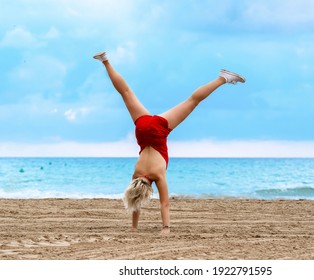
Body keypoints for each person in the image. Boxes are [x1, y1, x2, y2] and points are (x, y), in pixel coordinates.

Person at [93, 51, 245, 233]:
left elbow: (164, 203)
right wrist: (133, 228)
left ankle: (223, 79)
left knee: (193, 101)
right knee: (126, 93)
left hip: (158, 130)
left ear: (148, 190)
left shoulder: (157, 175)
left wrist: (166, 228)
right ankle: (105, 61)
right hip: (142, 129)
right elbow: (136, 200)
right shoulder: (136, 175)